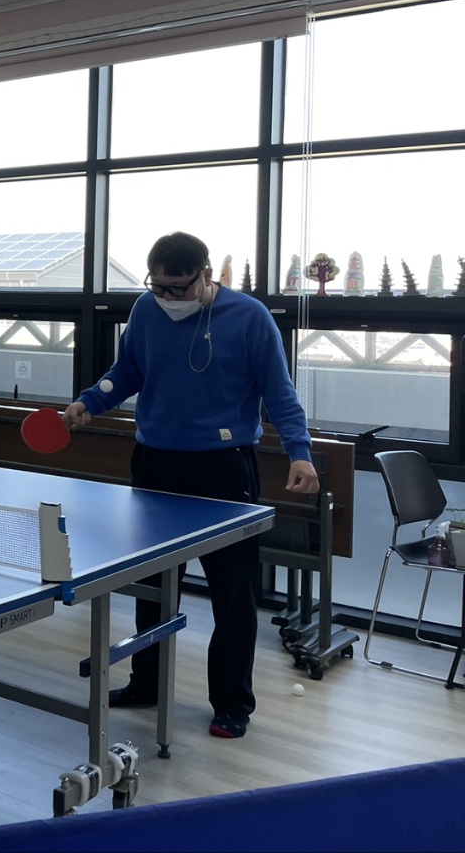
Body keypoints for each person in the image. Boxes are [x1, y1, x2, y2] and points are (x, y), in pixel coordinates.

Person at [63, 231, 318, 741]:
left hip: (224, 469)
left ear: (206, 274)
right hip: (156, 465)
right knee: (152, 583)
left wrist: (301, 453)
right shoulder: (146, 310)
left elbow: (279, 392)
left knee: (233, 592)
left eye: (178, 288)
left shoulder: (250, 317)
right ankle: (147, 683)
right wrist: (91, 401)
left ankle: (232, 703)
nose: (168, 298)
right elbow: (128, 371)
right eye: (158, 287)